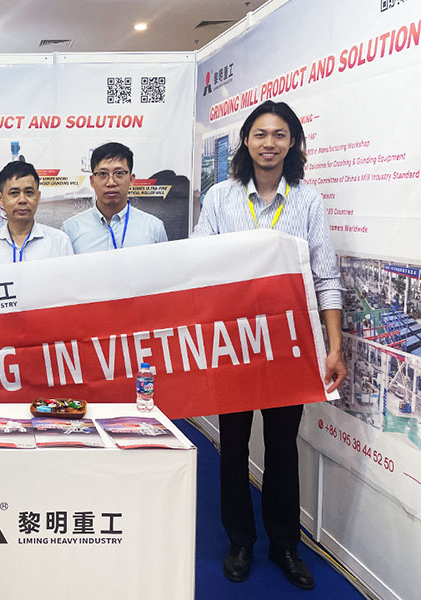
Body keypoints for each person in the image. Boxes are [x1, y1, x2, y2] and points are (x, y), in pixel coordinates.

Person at [192, 101, 346, 590]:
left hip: (288, 345)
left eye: (279, 134)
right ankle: (240, 541)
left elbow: (326, 277)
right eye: (260, 134)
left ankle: (284, 545)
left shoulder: (307, 201)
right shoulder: (220, 198)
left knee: (282, 446)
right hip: (233, 343)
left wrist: (334, 347)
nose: (269, 143)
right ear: (246, 140)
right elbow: (197, 262)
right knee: (234, 444)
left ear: (292, 142)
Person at [62, 142, 167, 253]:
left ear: (131, 179)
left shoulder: (153, 228)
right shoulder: (70, 230)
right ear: (92, 181)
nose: (111, 182)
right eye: (103, 174)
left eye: (119, 173)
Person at [0, 161, 73, 266]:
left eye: (29, 192)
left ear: (38, 197)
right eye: (14, 193)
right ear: (1, 199)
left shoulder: (59, 243)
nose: (22, 200)